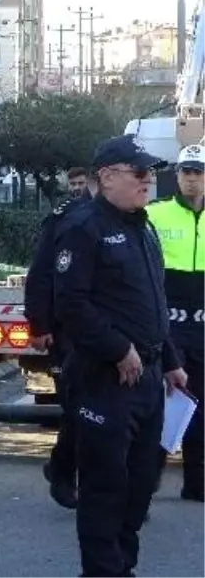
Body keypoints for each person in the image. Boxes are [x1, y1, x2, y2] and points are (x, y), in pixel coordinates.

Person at [53, 134, 189, 578]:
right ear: (108, 177)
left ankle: (121, 566)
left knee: (140, 487)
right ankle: (102, 572)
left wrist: (169, 359)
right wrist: (118, 348)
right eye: (140, 172)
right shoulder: (84, 227)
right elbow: (71, 303)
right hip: (105, 379)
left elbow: (152, 300)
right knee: (106, 488)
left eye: (151, 172)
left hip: (148, 379)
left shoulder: (143, 226)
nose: (149, 180)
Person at [25, 167, 98, 510]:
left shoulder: (135, 221)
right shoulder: (66, 219)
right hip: (69, 329)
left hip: (113, 331)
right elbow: (41, 272)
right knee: (77, 407)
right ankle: (64, 470)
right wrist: (39, 325)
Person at [145, 143, 205, 501]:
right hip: (169, 328)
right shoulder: (156, 214)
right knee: (165, 406)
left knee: (202, 408)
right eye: (187, 172)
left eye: (199, 172)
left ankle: (196, 484)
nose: (192, 179)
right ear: (177, 175)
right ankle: (146, 483)